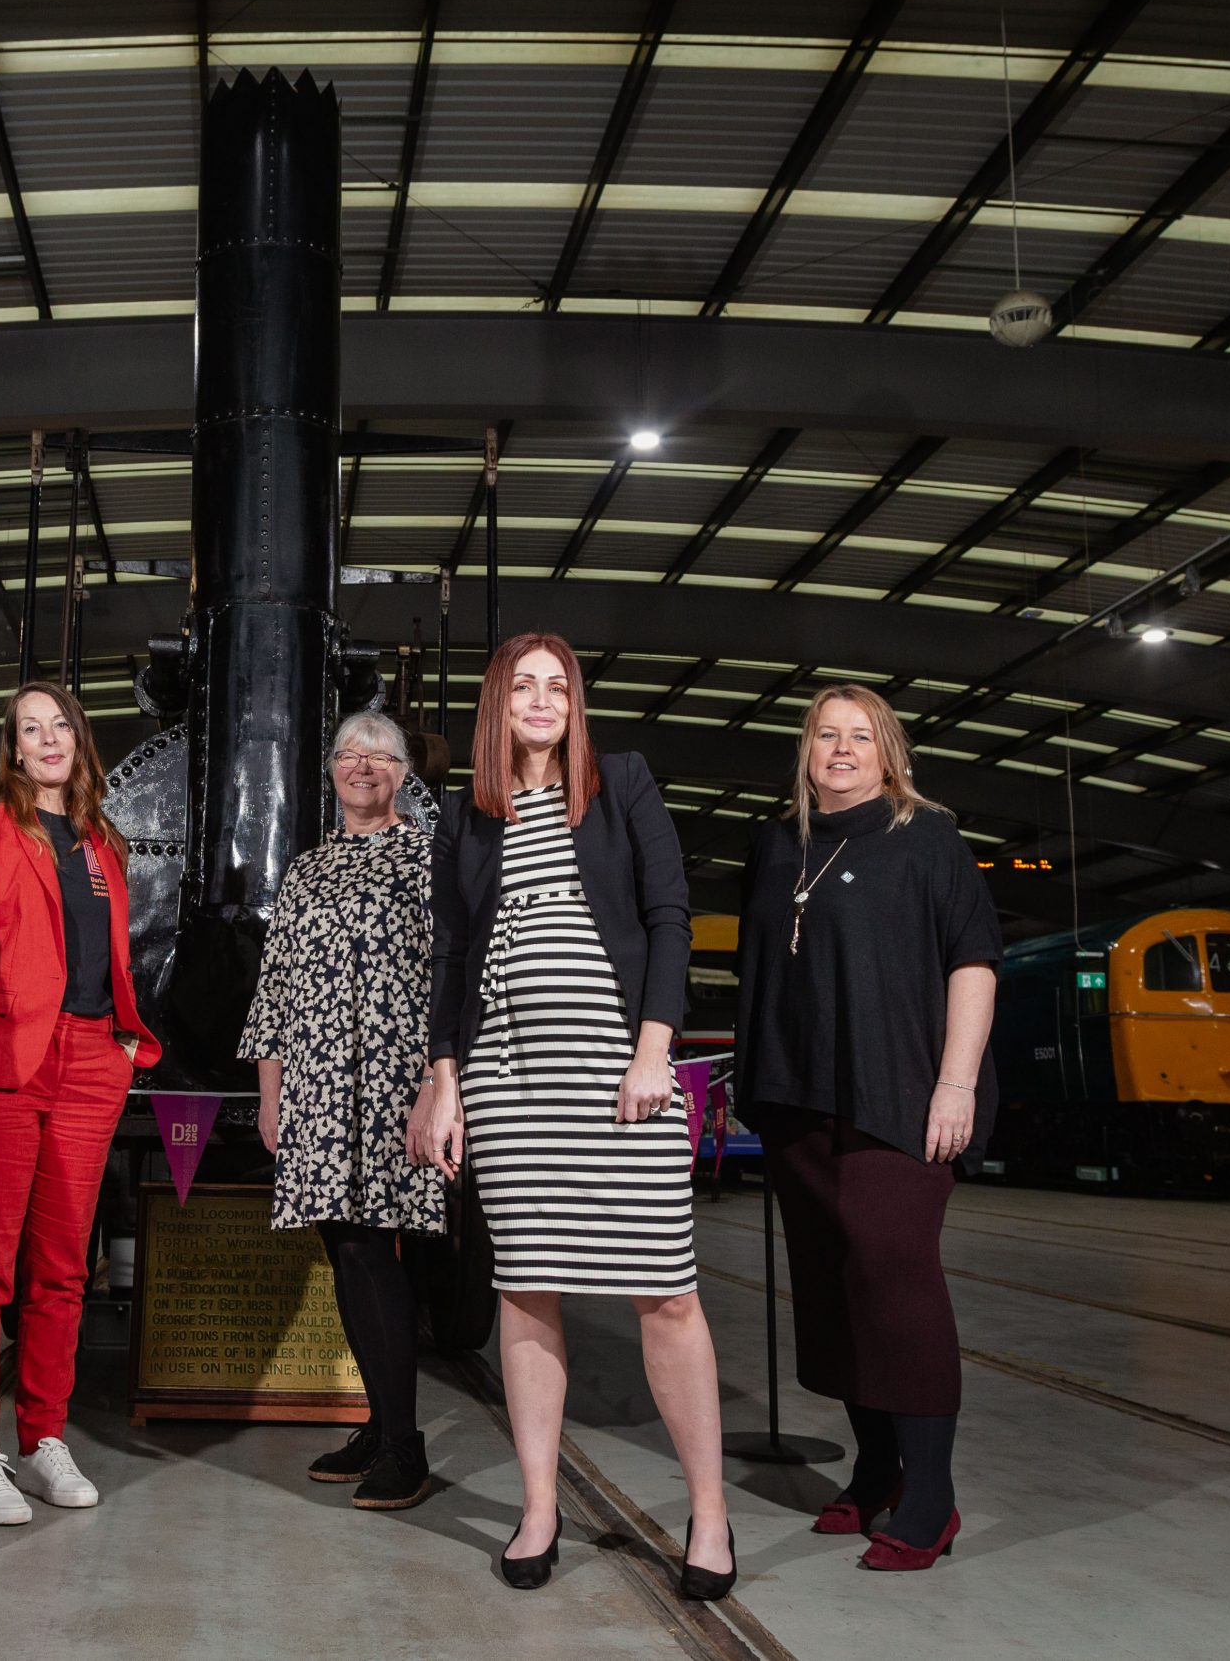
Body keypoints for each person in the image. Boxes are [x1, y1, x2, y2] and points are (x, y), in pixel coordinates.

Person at [410, 634, 735, 1600]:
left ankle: (709, 1512)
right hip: (509, 1085)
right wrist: (446, 1078)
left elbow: (670, 915)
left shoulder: (621, 781)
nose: (543, 700)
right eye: (525, 685)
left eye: (559, 685)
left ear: (576, 702)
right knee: (528, 1288)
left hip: (616, 1076)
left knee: (667, 1292)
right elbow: (449, 955)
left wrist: (652, 1051)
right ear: (497, 705)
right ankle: (541, 1505)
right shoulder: (468, 816)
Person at [733, 683, 1001, 1573]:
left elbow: (973, 962)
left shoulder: (925, 837)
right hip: (799, 1097)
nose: (840, 749)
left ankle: (931, 1490)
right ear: (805, 750)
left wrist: (955, 1083)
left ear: (888, 752)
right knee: (834, 1284)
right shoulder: (777, 843)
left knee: (894, 1274)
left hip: (903, 1093)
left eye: (860, 736)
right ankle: (877, 1464)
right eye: (824, 735)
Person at [0, 680, 160, 1525]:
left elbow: (106, 956)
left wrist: (124, 1046)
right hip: (5, 1062)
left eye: (59, 723)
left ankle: (41, 1439)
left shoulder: (104, 841)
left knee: (63, 1268)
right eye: (30, 728)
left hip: (93, 1058)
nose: (48, 738)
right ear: (15, 750)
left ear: (78, 739)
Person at [240, 711, 448, 1512]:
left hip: (395, 1087)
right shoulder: (308, 868)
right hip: (316, 1090)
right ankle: (380, 1420)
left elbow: (448, 981)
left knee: (369, 1252)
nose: (364, 765)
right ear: (331, 770)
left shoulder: (429, 858)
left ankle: (404, 1442)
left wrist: (439, 1086)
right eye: (350, 754)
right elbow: (278, 988)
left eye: (381, 755)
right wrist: (271, 1090)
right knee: (345, 1251)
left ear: (403, 773)